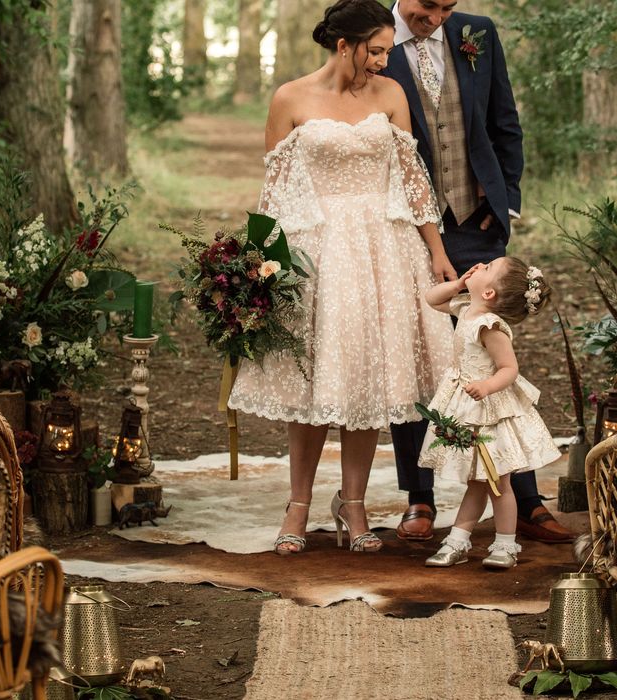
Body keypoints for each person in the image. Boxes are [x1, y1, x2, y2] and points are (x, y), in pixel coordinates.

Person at [228, 0, 455, 555]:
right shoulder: (290, 97)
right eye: (375, 51)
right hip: (317, 252)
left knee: (367, 380)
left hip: (383, 249)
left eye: (385, 51)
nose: (383, 60)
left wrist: (438, 253)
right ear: (344, 46)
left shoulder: (392, 95)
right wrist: (259, 271)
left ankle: (353, 506)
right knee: (315, 383)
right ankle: (298, 506)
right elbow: (274, 194)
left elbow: (412, 182)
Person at [382, 0, 573, 544]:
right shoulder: (372, 35)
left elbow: (504, 122)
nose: (437, 17)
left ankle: (526, 500)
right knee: (418, 358)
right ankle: (419, 498)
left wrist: (505, 199)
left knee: (490, 356)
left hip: (476, 220)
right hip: (404, 228)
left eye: (448, 6)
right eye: (427, 5)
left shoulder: (478, 34)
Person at [419, 257, 562, 568]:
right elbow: (431, 299)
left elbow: (509, 368)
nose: (479, 265)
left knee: (498, 481)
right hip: (466, 408)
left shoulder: (489, 326)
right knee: (477, 480)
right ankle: (458, 541)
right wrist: (457, 285)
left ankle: (506, 545)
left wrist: (486, 386)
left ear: (488, 294)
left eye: (488, 268)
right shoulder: (464, 308)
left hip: (489, 412)